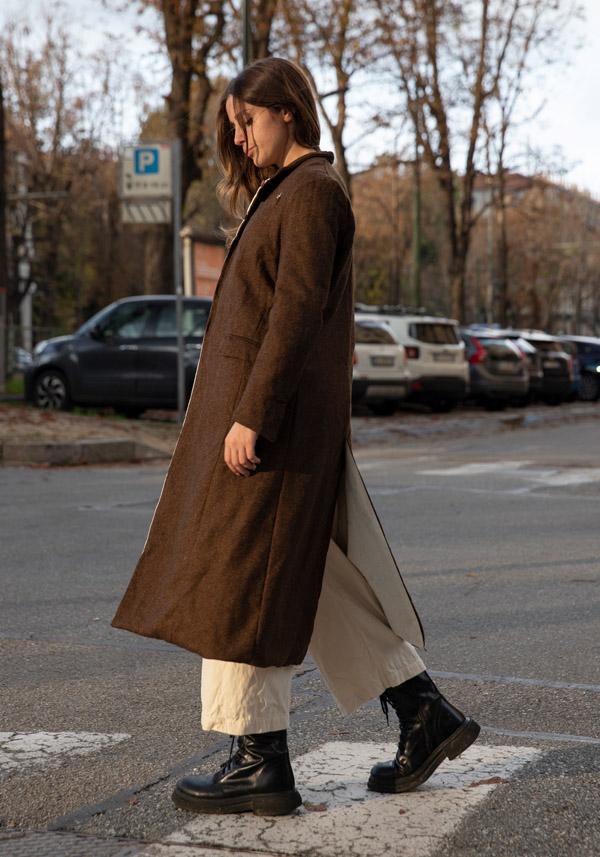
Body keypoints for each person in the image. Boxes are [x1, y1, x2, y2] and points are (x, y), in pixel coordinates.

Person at [111, 56, 480, 817]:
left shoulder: (310, 191)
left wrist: (255, 413)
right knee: (303, 571)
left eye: (247, 120)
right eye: (233, 127)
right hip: (274, 421)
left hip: (270, 427)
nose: (240, 138)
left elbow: (295, 312)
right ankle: (423, 711)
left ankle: (259, 759)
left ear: (288, 109)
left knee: (240, 578)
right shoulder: (290, 190)